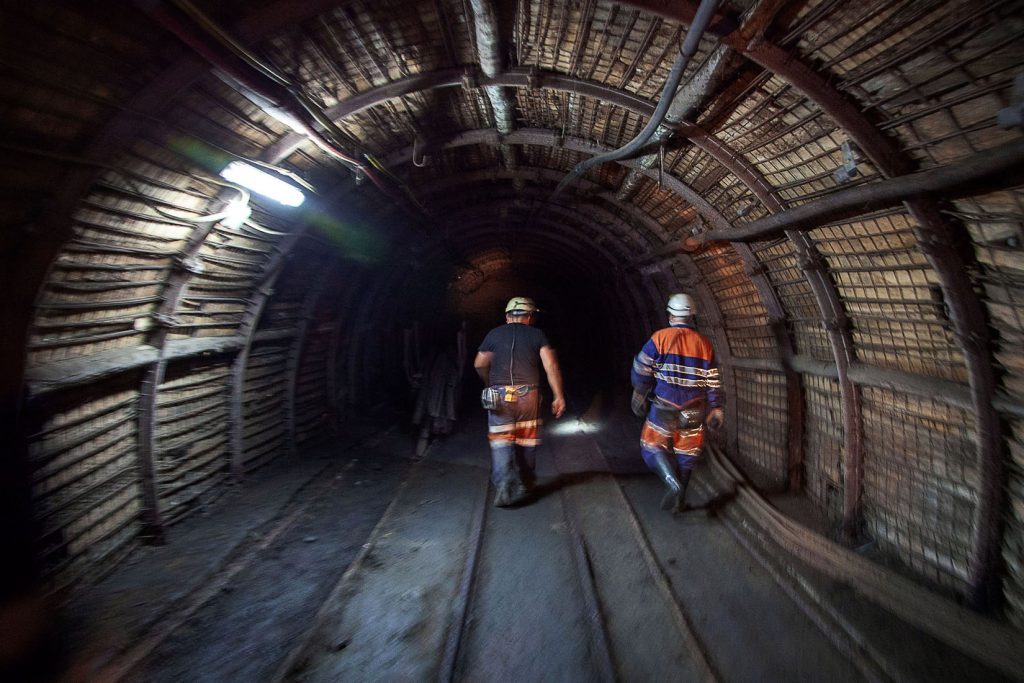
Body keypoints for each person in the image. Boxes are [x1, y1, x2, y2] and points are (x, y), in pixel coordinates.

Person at [631, 293, 724, 513]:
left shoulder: (660, 338)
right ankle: (680, 500)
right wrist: (717, 407)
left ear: (670, 314)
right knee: (687, 453)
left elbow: (642, 368)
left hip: (664, 405)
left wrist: (640, 392)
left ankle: (671, 482)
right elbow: (712, 378)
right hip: (694, 409)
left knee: (652, 446)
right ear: (692, 316)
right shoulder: (704, 343)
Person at [474, 297, 566, 507]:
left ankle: (504, 483)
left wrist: (489, 382)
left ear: (507, 316)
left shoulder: (494, 334)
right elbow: (551, 366)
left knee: (501, 440)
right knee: (526, 441)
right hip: (529, 396)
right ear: (531, 316)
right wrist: (558, 396)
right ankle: (526, 482)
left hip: (499, 396)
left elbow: (479, 363)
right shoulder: (537, 334)